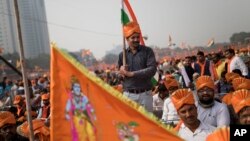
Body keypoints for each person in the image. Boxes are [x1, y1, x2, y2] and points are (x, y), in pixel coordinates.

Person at [118, 21, 157, 112]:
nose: (136, 40)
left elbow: (152, 69)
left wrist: (132, 74)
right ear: (127, 39)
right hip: (128, 95)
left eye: (137, 37)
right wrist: (121, 73)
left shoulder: (147, 51)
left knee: (148, 123)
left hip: (145, 94)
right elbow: (119, 76)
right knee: (131, 124)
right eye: (133, 37)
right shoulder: (122, 55)